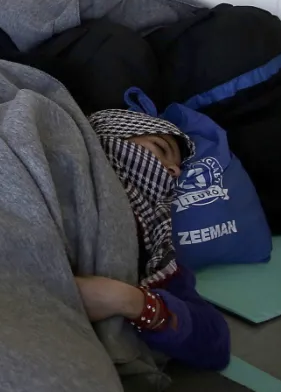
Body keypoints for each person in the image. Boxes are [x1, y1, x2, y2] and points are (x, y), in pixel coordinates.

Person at [76, 110, 230, 370]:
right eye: (161, 148)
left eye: (178, 168)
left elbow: (215, 342)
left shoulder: (157, 252)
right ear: (107, 138)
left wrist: (130, 301)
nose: (174, 170)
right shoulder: (61, 164)